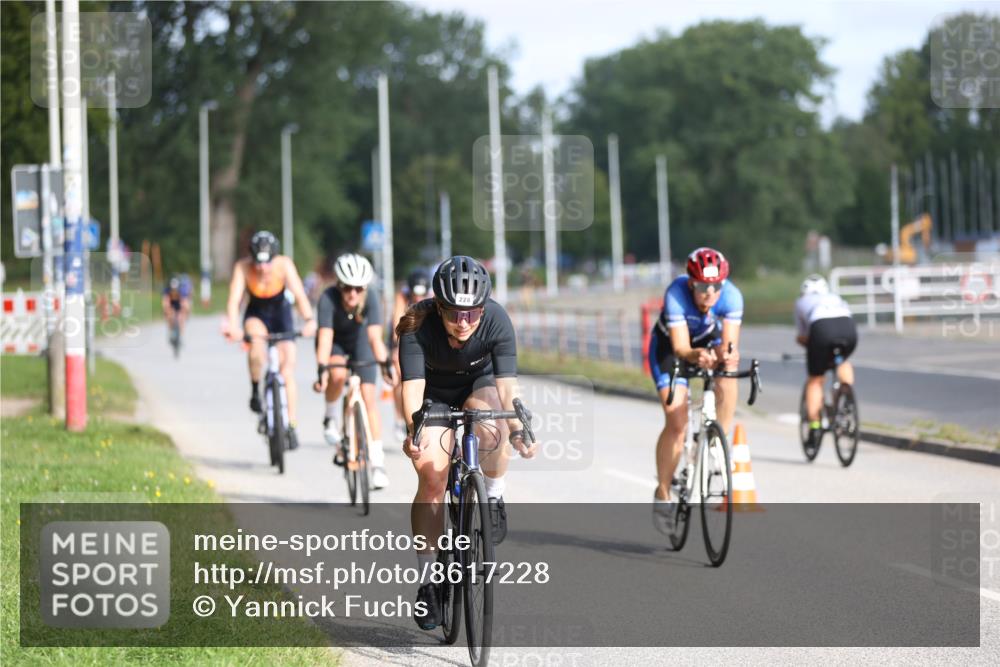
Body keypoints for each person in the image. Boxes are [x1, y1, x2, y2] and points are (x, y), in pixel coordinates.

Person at [396, 255, 536, 631]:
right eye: (455, 313)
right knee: (432, 478)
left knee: (493, 427)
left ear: (483, 309)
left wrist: (518, 429)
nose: (464, 322)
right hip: (432, 395)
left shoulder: (497, 319)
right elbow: (412, 391)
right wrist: (413, 431)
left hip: (479, 386)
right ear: (439, 307)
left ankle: (493, 493)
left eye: (472, 313)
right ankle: (428, 583)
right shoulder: (417, 324)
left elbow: (508, 388)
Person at [647, 247, 743, 534]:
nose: (710, 294)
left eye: (716, 286)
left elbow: (729, 343)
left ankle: (718, 439)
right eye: (702, 287)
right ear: (691, 283)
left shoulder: (732, 296)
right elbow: (681, 348)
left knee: (729, 368)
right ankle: (663, 493)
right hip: (670, 351)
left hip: (706, 341)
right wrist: (696, 355)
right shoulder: (676, 294)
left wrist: (725, 354)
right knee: (677, 423)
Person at [223, 231, 316, 450]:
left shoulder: (284, 265)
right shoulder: (242, 268)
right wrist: (234, 326)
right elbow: (234, 300)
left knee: (287, 369)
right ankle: (256, 388)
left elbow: (299, 295)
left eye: (267, 263)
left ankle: (291, 424)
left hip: (281, 314)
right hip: (257, 314)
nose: (263, 268)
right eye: (258, 263)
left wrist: (309, 320)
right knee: (256, 348)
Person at [313, 253, 394, 489]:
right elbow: (325, 338)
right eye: (348, 288)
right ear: (339, 285)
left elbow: (375, 338)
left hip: (361, 343)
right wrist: (322, 369)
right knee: (337, 375)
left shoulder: (372, 298)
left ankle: (378, 464)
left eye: (359, 289)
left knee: (369, 398)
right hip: (335, 342)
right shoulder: (328, 298)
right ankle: (330, 417)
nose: (353, 294)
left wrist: (386, 364)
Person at [794, 274, 857, 454]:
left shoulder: (801, 302)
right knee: (842, 360)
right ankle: (846, 399)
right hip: (848, 329)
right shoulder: (835, 297)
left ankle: (815, 426)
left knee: (815, 380)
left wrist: (813, 350)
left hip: (821, 329)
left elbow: (803, 336)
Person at [390, 269, 432, 441]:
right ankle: (399, 418)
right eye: (415, 294)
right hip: (401, 338)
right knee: (400, 376)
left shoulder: (431, 298)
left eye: (421, 295)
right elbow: (397, 324)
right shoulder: (402, 297)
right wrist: (396, 349)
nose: (418, 298)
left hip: (423, 340)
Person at [161, 274, 192, 340]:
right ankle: (171, 331)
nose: (174, 291)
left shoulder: (182, 291)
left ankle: (180, 334)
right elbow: (165, 301)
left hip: (179, 305)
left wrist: (186, 310)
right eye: (173, 289)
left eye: (175, 289)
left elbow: (185, 301)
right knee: (170, 315)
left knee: (181, 318)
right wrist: (166, 309)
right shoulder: (167, 291)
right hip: (171, 305)